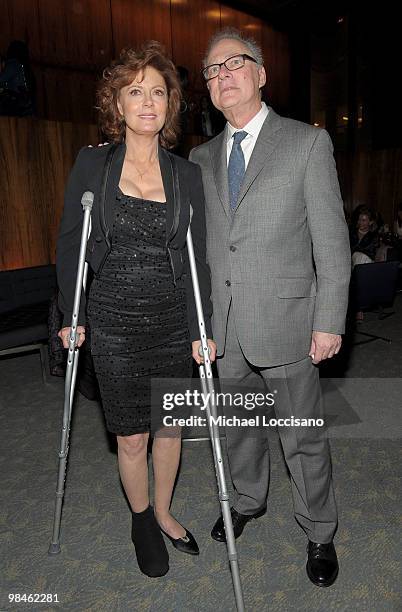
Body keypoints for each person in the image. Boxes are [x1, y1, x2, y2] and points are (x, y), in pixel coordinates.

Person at [190, 28, 351, 588]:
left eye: (234, 64)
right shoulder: (200, 156)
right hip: (223, 328)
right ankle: (246, 500)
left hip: (287, 320)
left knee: (301, 436)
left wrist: (329, 319)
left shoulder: (306, 144)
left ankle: (320, 530)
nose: (222, 75)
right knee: (236, 428)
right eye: (211, 70)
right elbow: (201, 247)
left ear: (261, 74)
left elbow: (332, 241)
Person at [56, 42, 216, 578]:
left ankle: (167, 509)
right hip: (115, 321)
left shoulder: (185, 175)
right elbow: (69, 245)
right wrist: (71, 313)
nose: (148, 101)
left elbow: (199, 261)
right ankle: (142, 517)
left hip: (172, 318)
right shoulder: (92, 163)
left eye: (158, 92)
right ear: (117, 103)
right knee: (131, 433)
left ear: (171, 105)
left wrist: (201, 328)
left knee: (169, 428)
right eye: (135, 91)